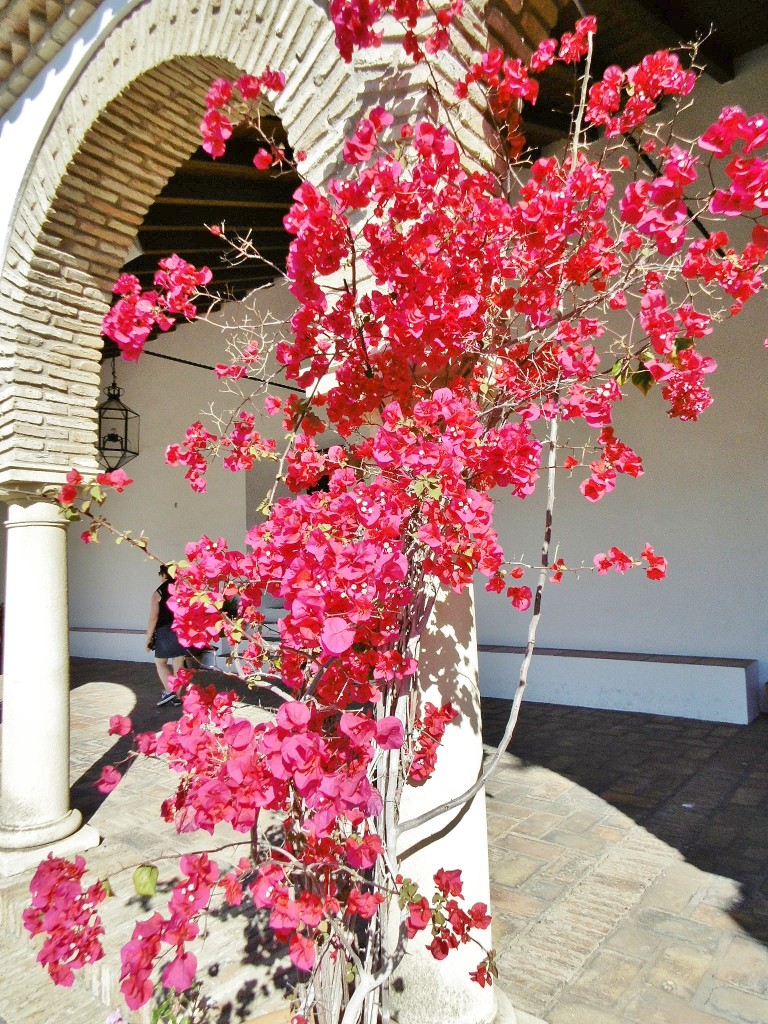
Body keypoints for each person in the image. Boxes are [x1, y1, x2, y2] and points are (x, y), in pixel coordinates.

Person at [146, 564, 187, 706]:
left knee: (160, 662)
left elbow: (153, 618)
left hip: (165, 631)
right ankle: (177, 697)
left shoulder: (158, 593)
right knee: (178, 666)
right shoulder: (182, 589)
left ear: (163, 575)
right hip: (182, 630)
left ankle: (169, 691)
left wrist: (148, 639)